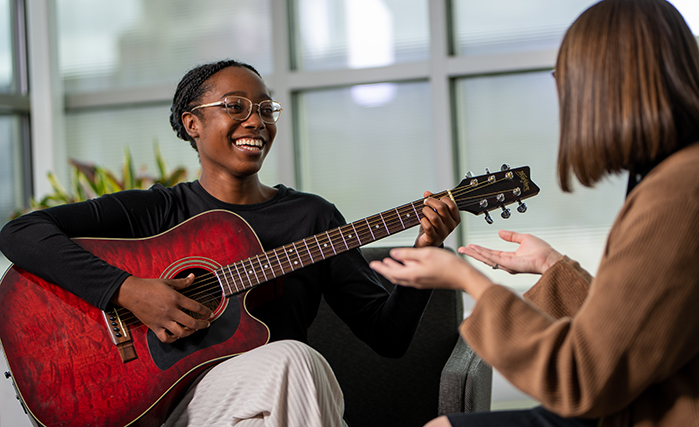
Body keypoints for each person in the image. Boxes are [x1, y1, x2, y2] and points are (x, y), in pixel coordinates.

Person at [0, 60, 461, 426]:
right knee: (295, 359)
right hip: (169, 407)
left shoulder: (312, 218)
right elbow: (19, 233)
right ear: (193, 124)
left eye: (265, 109)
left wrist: (427, 250)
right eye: (236, 106)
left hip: (269, 405)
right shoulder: (160, 211)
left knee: (288, 372)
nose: (255, 121)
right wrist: (128, 291)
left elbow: (389, 337)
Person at [370, 0, 699, 427]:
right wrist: (553, 266)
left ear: (603, 82)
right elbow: (637, 327)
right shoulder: (691, 171)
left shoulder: (683, 195)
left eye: (565, 77)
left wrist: (466, 281)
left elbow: (583, 377)